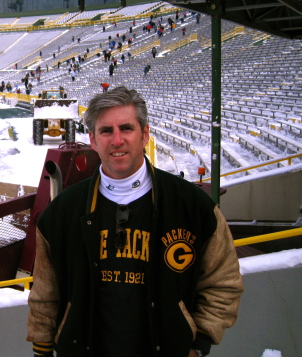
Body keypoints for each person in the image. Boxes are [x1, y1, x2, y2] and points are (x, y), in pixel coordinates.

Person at [27, 86, 243, 357]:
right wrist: (42, 349)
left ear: (145, 135)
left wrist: (198, 344)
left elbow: (223, 282)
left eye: (126, 128)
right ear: (93, 140)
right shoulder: (61, 213)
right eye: (106, 131)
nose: (117, 140)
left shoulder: (193, 207)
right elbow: (45, 294)